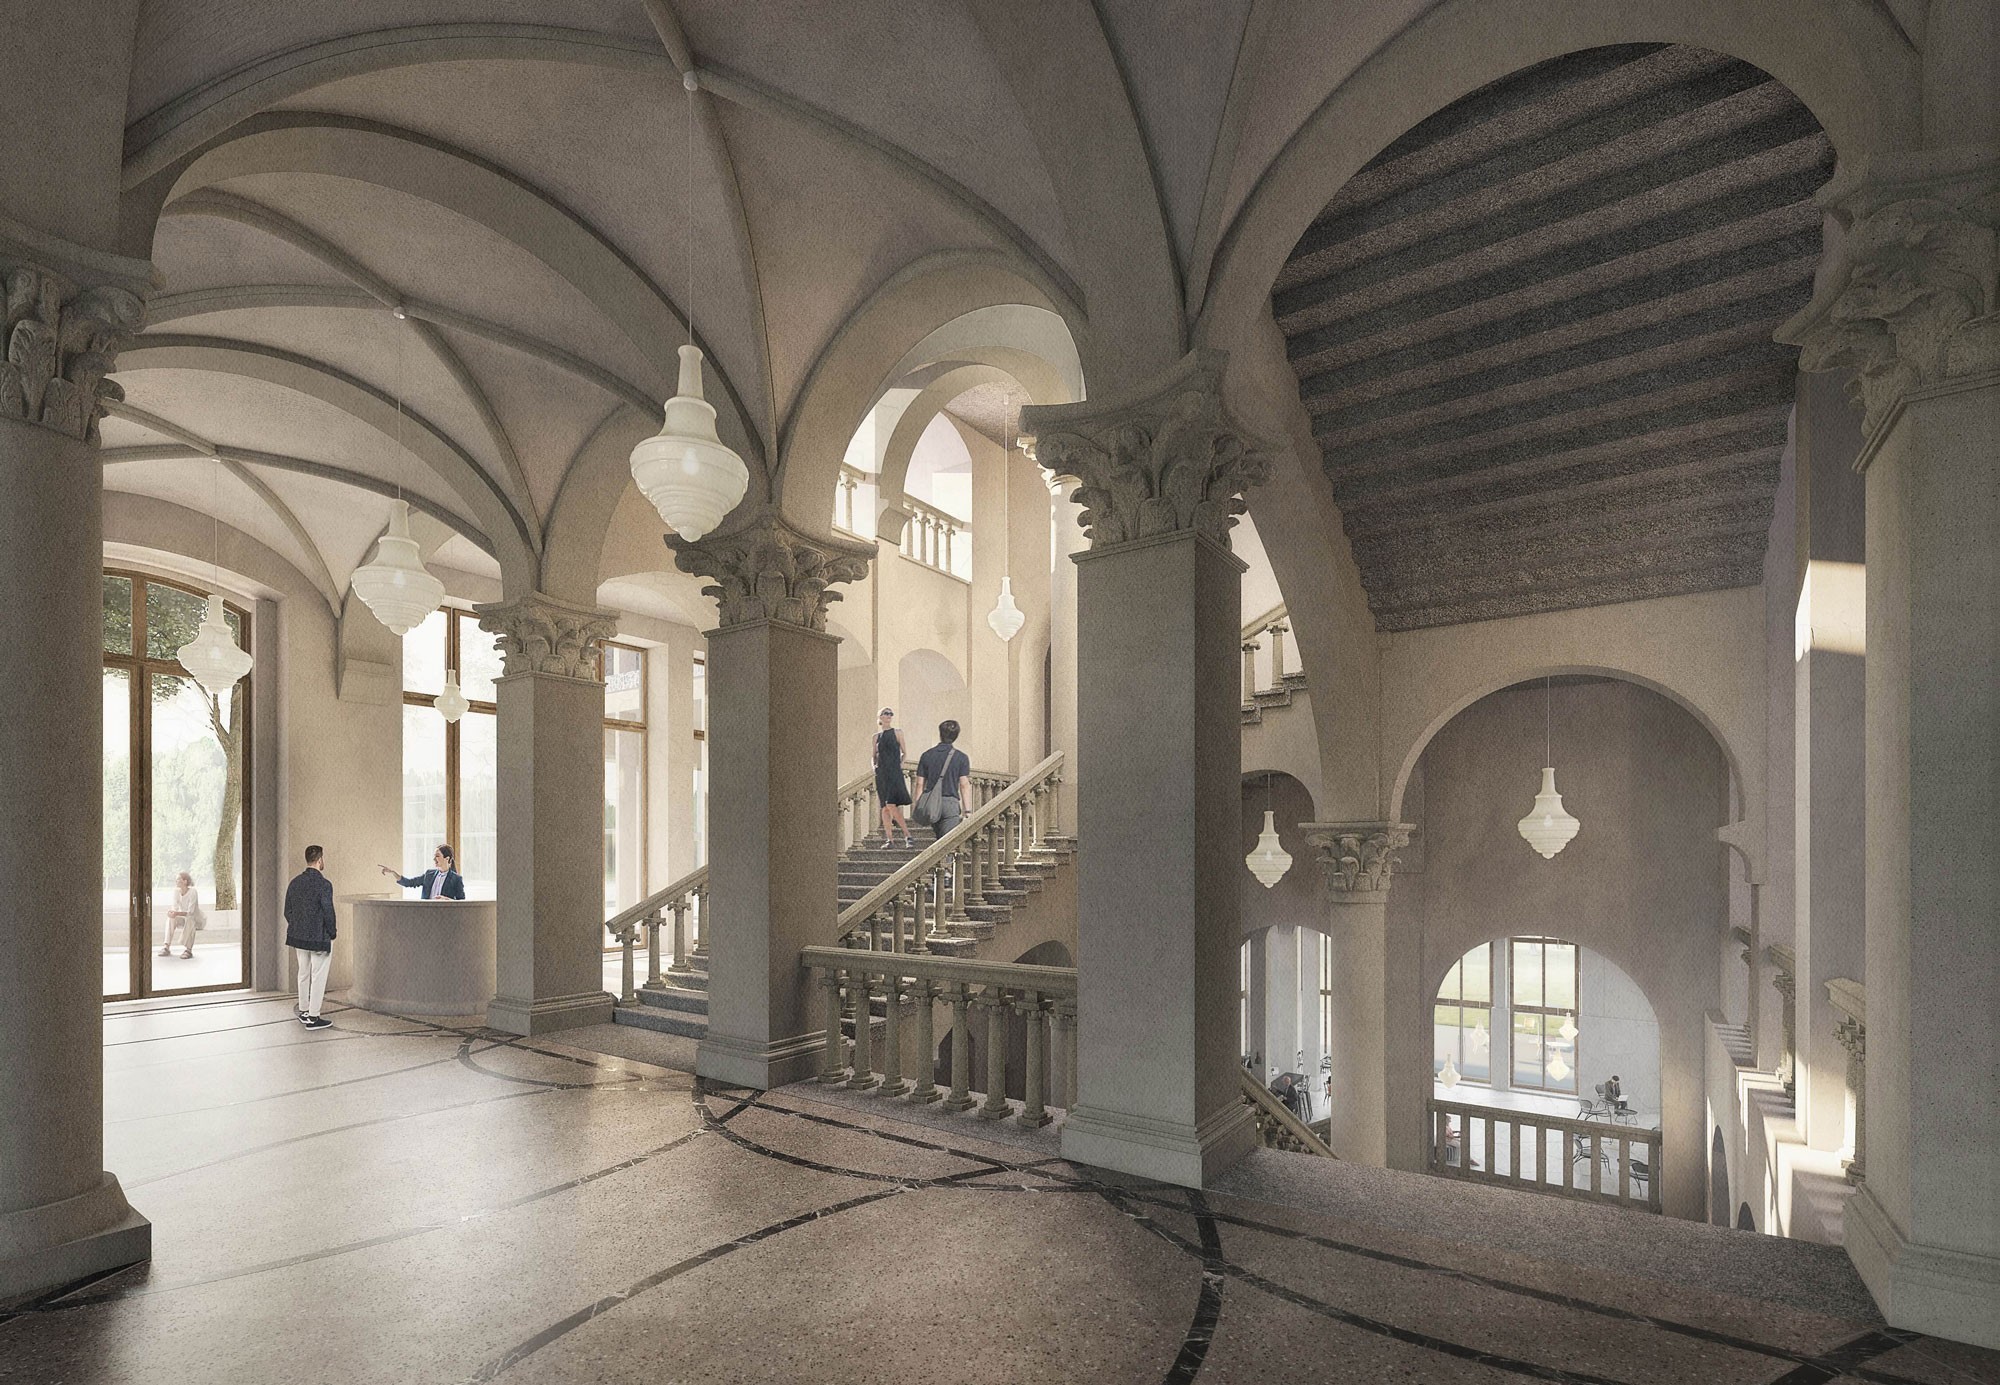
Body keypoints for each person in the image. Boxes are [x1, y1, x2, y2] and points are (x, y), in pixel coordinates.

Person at [285, 845, 336, 1029]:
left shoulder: (294, 883)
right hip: (318, 937)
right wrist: (332, 932)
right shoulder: (324, 885)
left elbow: (287, 911)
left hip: (299, 937)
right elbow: (328, 912)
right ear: (320, 860)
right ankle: (314, 1017)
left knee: (303, 973)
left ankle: (304, 1011)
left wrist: (298, 926)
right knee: (318, 975)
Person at [914, 719, 972, 840]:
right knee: (948, 843)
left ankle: (942, 859)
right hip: (950, 803)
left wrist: (919, 806)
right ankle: (947, 859)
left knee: (939, 838)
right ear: (956, 736)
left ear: (940, 734)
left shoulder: (926, 755)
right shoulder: (961, 757)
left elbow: (920, 784)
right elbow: (964, 785)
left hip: (931, 803)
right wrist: (967, 811)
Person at [872, 708, 914, 847]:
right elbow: (873, 756)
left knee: (891, 804)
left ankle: (908, 836)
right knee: (884, 808)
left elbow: (904, 752)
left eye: (890, 714)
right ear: (880, 717)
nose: (889, 716)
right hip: (881, 774)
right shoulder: (876, 737)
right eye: (886, 713)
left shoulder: (897, 732)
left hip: (894, 772)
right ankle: (890, 839)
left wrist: (900, 765)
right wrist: (874, 767)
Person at [378, 845, 465, 900]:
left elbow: (462, 903)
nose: (434, 859)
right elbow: (410, 883)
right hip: (425, 916)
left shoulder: (456, 879)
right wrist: (393, 873)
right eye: (434, 856)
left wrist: (447, 900)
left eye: (437, 856)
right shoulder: (429, 875)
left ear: (447, 859)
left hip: (445, 919)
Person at [160, 870, 204, 960]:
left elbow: (191, 912)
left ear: (185, 881)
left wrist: (177, 913)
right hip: (183, 917)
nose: (176, 881)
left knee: (190, 919)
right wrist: (171, 913)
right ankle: (166, 946)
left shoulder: (193, 892)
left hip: (195, 919)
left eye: (178, 879)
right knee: (170, 919)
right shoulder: (176, 892)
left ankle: (188, 950)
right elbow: (174, 908)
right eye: (176, 880)